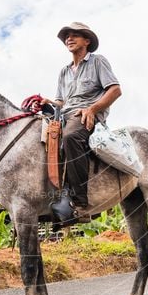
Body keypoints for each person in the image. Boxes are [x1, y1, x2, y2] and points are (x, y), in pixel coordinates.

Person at [41, 22, 122, 225]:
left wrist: (92, 109)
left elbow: (115, 90)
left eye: (74, 35)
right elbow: (61, 101)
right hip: (66, 113)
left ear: (87, 41)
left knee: (70, 137)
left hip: (86, 114)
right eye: (66, 36)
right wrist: (48, 103)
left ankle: (80, 204)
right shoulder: (64, 71)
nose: (69, 38)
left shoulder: (97, 62)